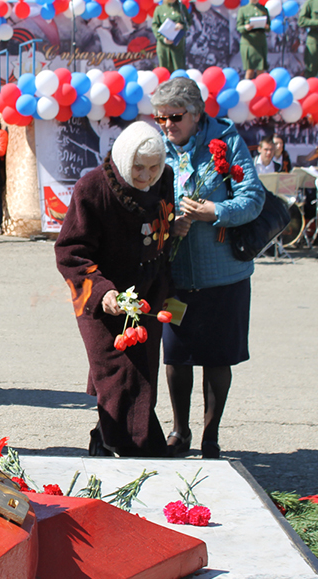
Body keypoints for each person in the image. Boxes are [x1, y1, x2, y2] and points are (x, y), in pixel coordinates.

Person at [151, 77, 265, 458]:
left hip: (224, 275)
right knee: (177, 355)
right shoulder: (158, 147)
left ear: (197, 115)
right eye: (160, 118)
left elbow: (253, 197)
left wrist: (215, 212)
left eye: (175, 117)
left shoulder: (226, 141)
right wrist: (169, 223)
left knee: (218, 358)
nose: (167, 126)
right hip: (177, 275)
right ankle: (180, 433)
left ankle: (210, 437)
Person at [55, 121, 176, 458]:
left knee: (141, 372)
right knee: (119, 373)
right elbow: (71, 252)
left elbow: (162, 225)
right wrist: (104, 293)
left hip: (146, 293)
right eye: (138, 167)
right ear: (124, 159)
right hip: (99, 297)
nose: (146, 176)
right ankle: (132, 449)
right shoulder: (91, 189)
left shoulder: (164, 178)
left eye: (154, 167)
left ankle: (104, 440)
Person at [152, 0, 193, 72]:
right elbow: (155, 26)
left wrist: (182, 26)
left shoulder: (181, 8)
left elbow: (188, 22)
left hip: (178, 45)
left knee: (179, 68)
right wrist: (162, 39)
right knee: (164, 70)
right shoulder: (159, 9)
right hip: (163, 46)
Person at [237, 0, 270, 79]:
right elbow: (239, 27)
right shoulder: (243, 10)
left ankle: (260, 89)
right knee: (250, 70)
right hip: (249, 42)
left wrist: (266, 26)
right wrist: (246, 27)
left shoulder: (264, 9)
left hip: (260, 42)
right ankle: (247, 89)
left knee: (261, 69)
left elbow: (269, 27)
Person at [299, 0, 318, 78]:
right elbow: (301, 21)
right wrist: (316, 22)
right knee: (311, 68)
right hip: (315, 38)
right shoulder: (312, 2)